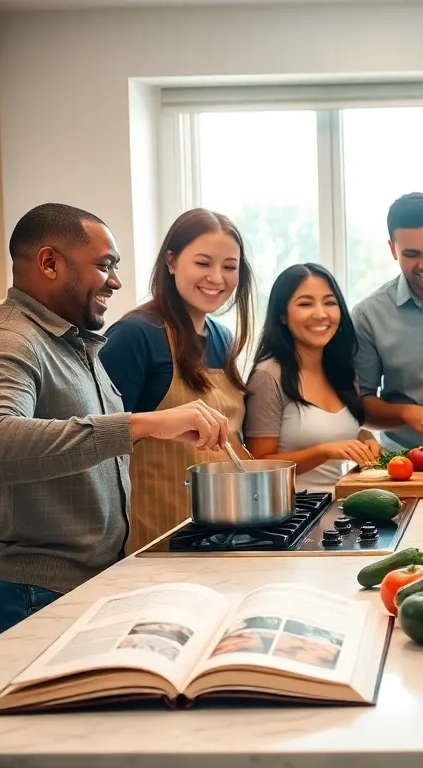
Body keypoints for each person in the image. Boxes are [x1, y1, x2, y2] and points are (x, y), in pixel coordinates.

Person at [0, 203, 230, 644]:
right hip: (30, 594)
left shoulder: (71, 344)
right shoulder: (5, 342)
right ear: (49, 262)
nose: (116, 281)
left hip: (78, 586)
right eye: (104, 265)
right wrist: (138, 425)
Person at [98, 208, 255, 554]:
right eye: (203, 263)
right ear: (171, 261)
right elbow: (94, 439)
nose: (217, 277)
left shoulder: (222, 338)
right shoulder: (136, 335)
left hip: (219, 535)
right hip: (155, 541)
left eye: (230, 267)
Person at [244, 264, 382, 488]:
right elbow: (258, 465)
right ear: (282, 316)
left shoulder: (343, 371)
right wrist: (323, 451)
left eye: (330, 302)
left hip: (338, 509)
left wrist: (364, 438)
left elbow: (336, 429)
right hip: (292, 516)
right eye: (305, 304)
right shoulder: (268, 377)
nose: (321, 314)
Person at [353, 193, 423, 452]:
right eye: (412, 254)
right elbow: (362, 406)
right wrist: (407, 413)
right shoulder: (369, 315)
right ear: (393, 250)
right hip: (407, 466)